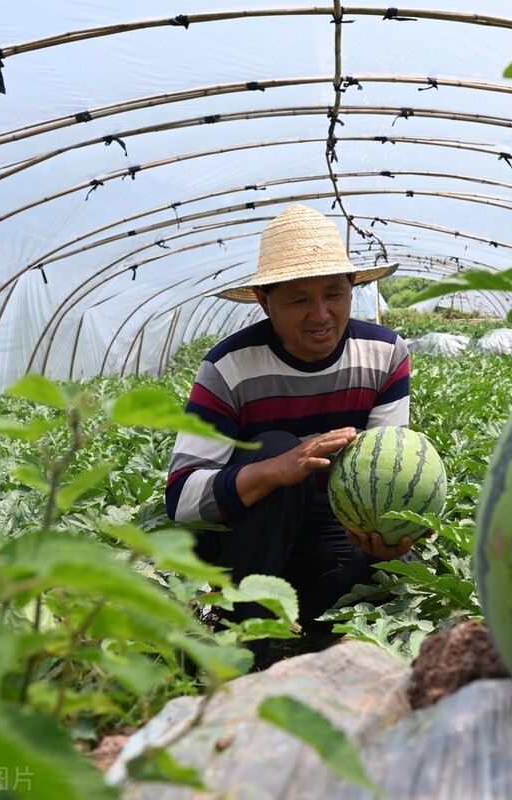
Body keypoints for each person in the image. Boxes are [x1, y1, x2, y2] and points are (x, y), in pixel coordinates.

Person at [165, 203, 413, 644]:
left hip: (333, 529)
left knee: (393, 576)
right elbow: (182, 497)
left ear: (352, 287)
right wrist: (277, 469)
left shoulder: (385, 354)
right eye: (299, 299)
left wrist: (389, 529)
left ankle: (316, 631)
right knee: (277, 446)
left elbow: (387, 470)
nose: (320, 315)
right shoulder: (229, 367)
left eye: (334, 294)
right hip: (248, 541)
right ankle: (244, 639)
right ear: (264, 301)